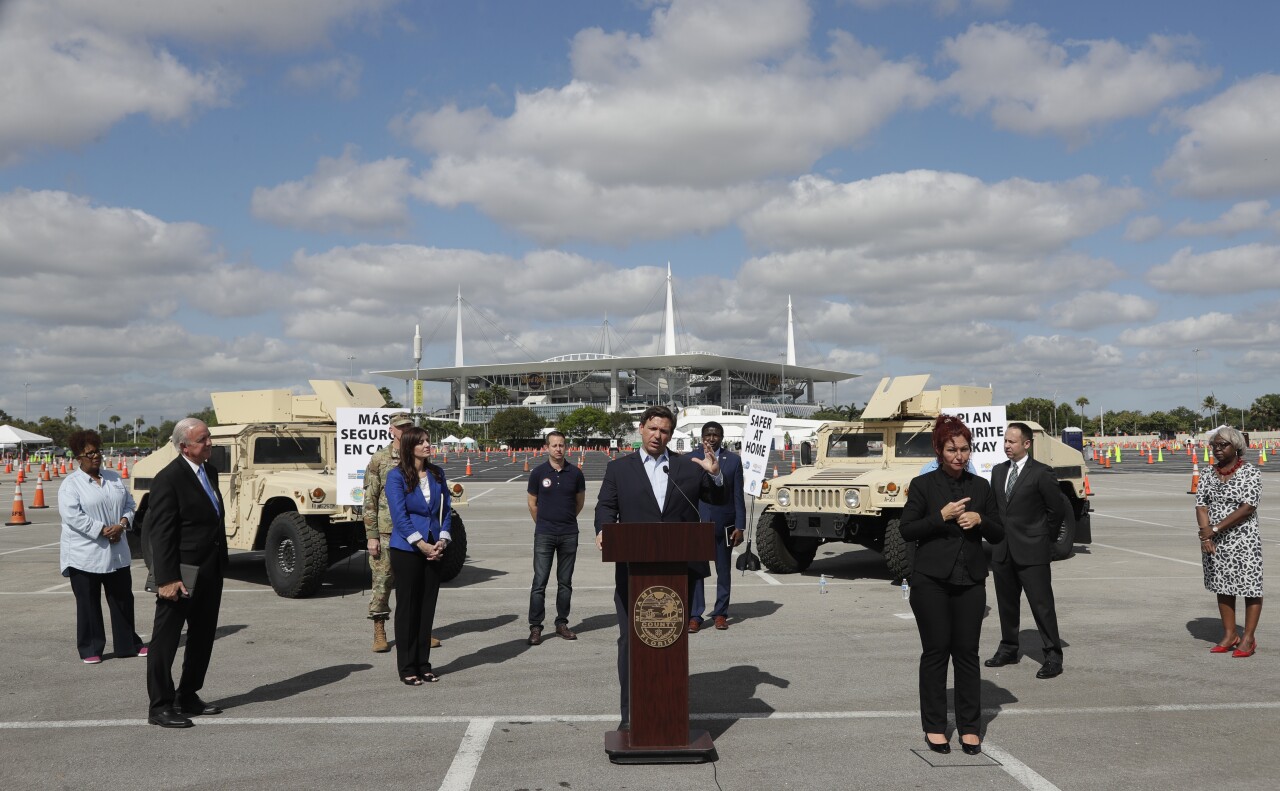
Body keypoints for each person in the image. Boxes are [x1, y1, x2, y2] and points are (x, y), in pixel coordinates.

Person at [595, 405, 724, 727]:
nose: (658, 435)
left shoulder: (688, 468)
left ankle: (671, 716)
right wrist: (603, 529)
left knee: (670, 640)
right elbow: (606, 506)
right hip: (632, 569)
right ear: (641, 429)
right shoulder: (618, 469)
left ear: (671, 434)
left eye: (664, 431)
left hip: (677, 573)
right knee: (630, 640)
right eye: (653, 429)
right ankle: (630, 716)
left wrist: (715, 474)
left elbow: (716, 498)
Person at [900, 415, 1003, 756]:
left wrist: (981, 520)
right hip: (931, 581)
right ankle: (934, 726)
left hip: (971, 580)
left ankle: (970, 726)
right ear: (939, 451)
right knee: (935, 653)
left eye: (964, 449)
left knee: (967, 654)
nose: (959, 455)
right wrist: (939, 517)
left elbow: (999, 532)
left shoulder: (980, 487)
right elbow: (907, 530)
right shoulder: (924, 486)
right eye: (951, 449)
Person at [145, 418, 228, 729]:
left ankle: (188, 694)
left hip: (210, 570)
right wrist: (166, 579)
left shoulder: (210, 471)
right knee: (165, 640)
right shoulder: (169, 479)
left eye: (209, 437)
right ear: (184, 447)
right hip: (180, 573)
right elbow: (161, 533)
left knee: (203, 636)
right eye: (202, 440)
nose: (209, 443)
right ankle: (160, 705)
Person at [986, 422, 1071, 679]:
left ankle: (1053, 656)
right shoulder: (999, 472)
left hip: (1033, 551)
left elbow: (1056, 511)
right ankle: (1009, 649)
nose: (1006, 446)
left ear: (1026, 444)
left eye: (1012, 442)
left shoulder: (1042, 473)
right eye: (1005, 441)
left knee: (1042, 605)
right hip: (1003, 550)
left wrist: (1046, 542)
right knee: (1006, 604)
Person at [58, 430, 145, 664]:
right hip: (85, 554)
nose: (96, 456)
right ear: (78, 457)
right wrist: (102, 530)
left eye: (98, 451)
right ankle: (91, 648)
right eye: (90, 453)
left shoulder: (114, 477)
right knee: (88, 603)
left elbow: (129, 504)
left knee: (122, 599)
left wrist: (122, 524)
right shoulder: (71, 485)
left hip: (117, 551)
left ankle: (128, 644)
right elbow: (72, 516)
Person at [363, 412, 440, 653]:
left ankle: (420, 631)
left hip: (415, 532)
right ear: (391, 430)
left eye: (408, 426)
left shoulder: (419, 459)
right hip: (387, 530)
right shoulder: (380, 459)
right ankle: (379, 629)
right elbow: (370, 499)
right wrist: (371, 535)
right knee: (382, 581)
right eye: (400, 427)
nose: (405, 430)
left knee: (416, 584)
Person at [385, 426, 452, 686]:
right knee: (407, 609)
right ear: (409, 446)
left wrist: (442, 539)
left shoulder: (437, 473)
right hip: (407, 549)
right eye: (422, 442)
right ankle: (407, 667)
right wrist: (421, 544)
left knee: (427, 608)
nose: (427, 445)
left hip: (435, 547)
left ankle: (424, 664)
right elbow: (399, 515)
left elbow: (446, 510)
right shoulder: (396, 476)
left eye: (428, 441)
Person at [1197, 426, 1263, 657]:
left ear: (1236, 446)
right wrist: (1206, 535)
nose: (1217, 449)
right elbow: (1201, 504)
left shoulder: (1250, 472)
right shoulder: (1207, 473)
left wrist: (1213, 529)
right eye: (1214, 445)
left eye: (1222, 445)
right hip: (1215, 540)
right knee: (1222, 585)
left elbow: (1248, 507)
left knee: (1250, 586)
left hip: (1244, 538)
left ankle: (1248, 638)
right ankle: (1229, 634)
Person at [526, 430, 586, 645]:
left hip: (569, 534)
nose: (558, 449)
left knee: (565, 583)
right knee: (539, 583)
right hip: (544, 534)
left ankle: (562, 623)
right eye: (554, 445)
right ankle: (535, 626)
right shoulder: (538, 473)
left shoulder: (576, 473)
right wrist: (544, 523)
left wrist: (566, 520)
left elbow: (579, 502)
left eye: (561, 445)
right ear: (546, 448)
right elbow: (532, 503)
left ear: (566, 447)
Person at [688, 422, 745, 632]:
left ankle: (721, 613)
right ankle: (695, 615)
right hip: (697, 524)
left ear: (722, 437)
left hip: (725, 524)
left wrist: (740, 525)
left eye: (716, 435)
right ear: (702, 437)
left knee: (723, 571)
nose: (711, 438)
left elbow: (737, 494)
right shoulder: (690, 459)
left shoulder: (733, 461)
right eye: (708, 435)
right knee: (696, 572)